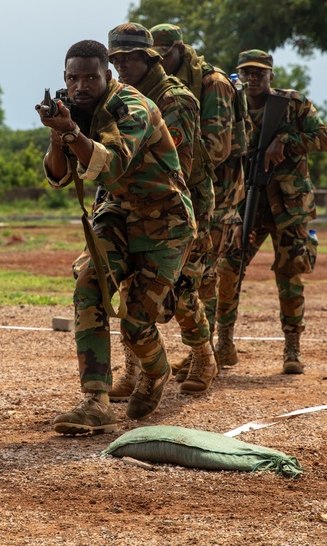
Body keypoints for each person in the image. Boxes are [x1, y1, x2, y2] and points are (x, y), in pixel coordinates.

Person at [39, 39, 195, 435]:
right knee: (89, 283)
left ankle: (156, 372)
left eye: (91, 77)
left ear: (107, 76)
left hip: (166, 221)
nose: (80, 86)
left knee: (136, 324)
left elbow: (112, 165)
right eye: (73, 78)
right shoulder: (73, 110)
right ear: (64, 78)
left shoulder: (131, 107)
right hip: (118, 213)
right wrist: (61, 135)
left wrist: (72, 133)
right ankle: (96, 400)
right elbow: (58, 177)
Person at [105, 23, 218, 397]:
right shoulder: (118, 98)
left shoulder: (175, 99)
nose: (122, 66)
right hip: (131, 202)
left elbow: (178, 170)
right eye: (116, 60)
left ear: (148, 57)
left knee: (182, 287)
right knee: (128, 286)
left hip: (179, 205)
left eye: (130, 58)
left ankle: (203, 355)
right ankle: (134, 369)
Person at [217, 49, 327, 374]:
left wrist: (286, 139)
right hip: (248, 204)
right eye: (247, 73)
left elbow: (323, 139)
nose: (253, 79)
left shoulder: (293, 104)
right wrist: (235, 214)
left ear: (271, 75)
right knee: (227, 270)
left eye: (259, 73)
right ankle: (223, 343)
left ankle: (292, 349)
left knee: (289, 275)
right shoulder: (232, 108)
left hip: (290, 208)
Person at [150, 23, 247, 369]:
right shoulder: (162, 85)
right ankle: (202, 352)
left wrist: (163, 160)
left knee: (205, 273)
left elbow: (217, 148)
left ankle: (212, 352)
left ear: (180, 49)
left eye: (164, 56)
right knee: (194, 273)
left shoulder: (214, 85)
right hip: (188, 187)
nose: (159, 63)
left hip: (219, 193)